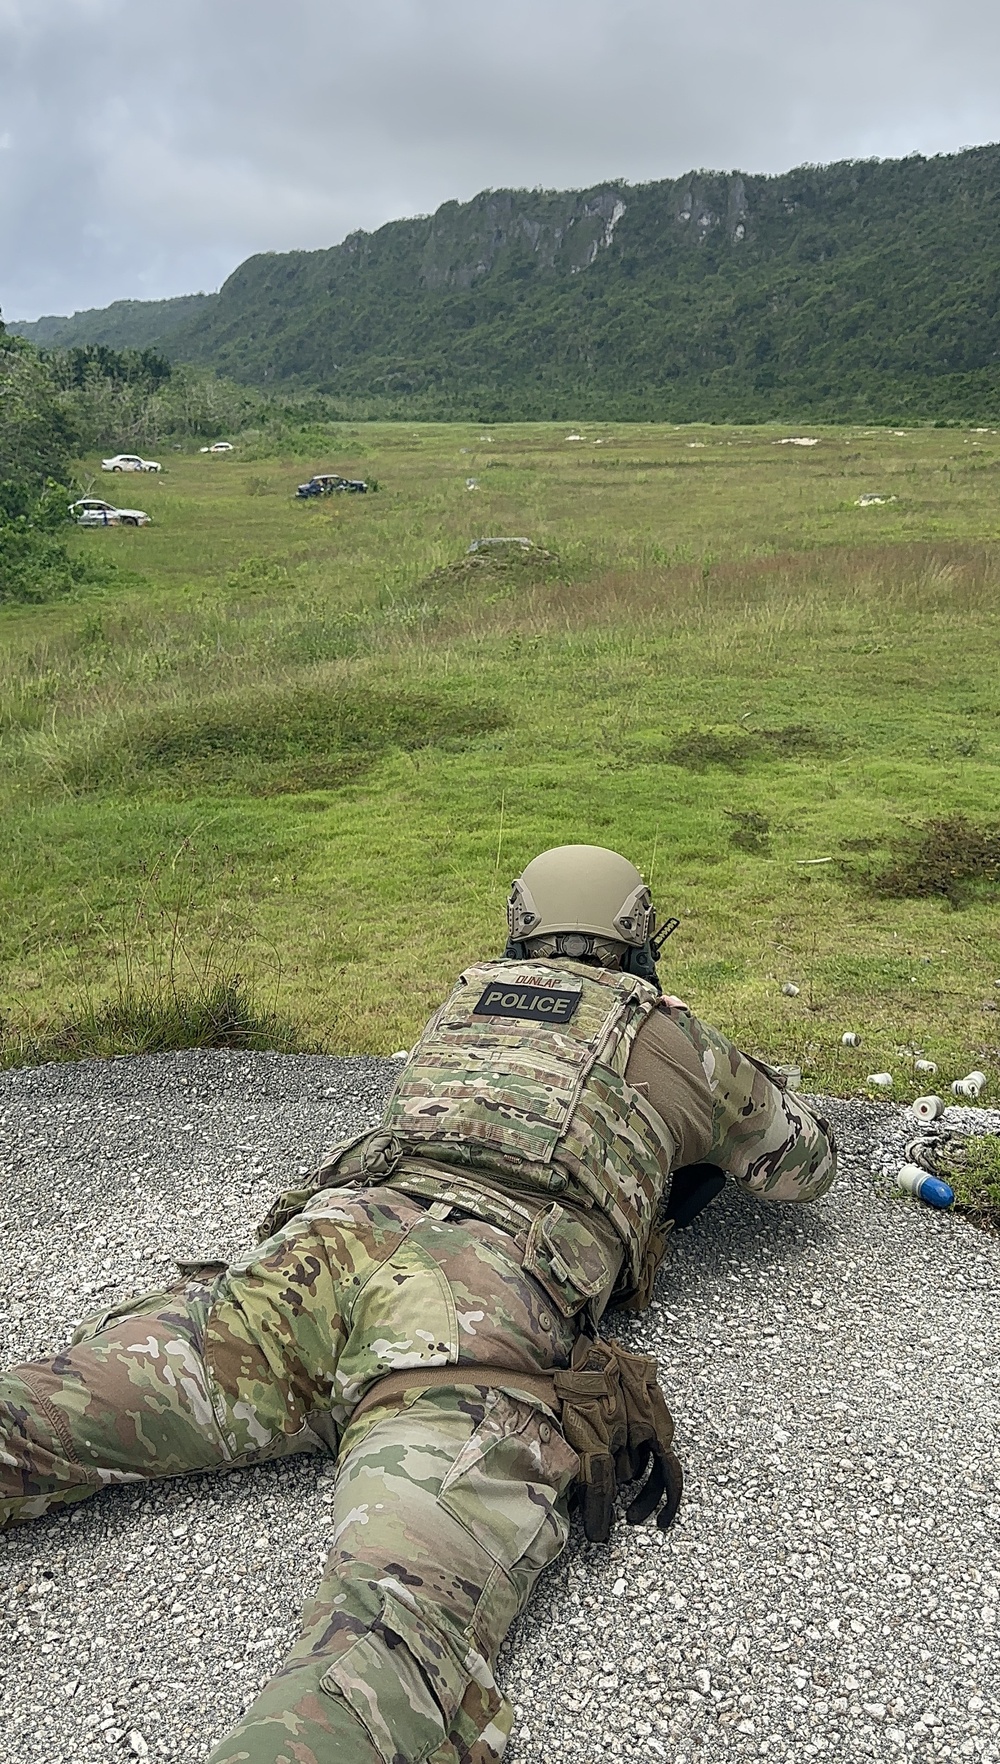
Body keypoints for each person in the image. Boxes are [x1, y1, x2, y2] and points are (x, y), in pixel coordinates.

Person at [0, 845, 836, 1764]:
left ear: (519, 928)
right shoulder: (676, 1039)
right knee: (387, 1635)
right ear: (639, 937)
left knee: (38, 1414)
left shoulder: (468, 999)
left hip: (313, 1264)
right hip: (475, 1310)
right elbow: (805, 1165)